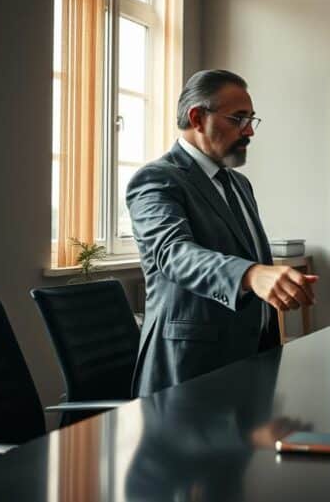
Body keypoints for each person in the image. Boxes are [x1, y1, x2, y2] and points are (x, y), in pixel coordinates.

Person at [127, 69, 317, 397]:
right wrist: (251, 274)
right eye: (238, 118)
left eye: (251, 119)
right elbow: (174, 254)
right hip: (189, 370)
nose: (249, 131)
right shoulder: (156, 180)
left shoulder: (239, 184)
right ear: (198, 117)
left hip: (250, 363)